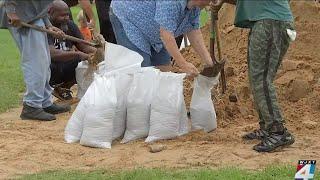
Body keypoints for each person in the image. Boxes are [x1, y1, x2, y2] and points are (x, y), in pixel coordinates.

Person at [214, 0, 295, 152]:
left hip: (271, 22)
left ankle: (278, 131)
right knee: (256, 78)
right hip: (265, 21)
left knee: (262, 80)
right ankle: (267, 127)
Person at [0, 0, 71, 121]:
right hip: (21, 15)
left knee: (44, 61)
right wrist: (11, 11)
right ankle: (31, 105)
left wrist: (48, 24)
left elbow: (39, 4)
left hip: (32, 15)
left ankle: (44, 102)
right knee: (35, 62)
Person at [110, 0, 215, 75]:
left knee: (164, 72)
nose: (212, 3)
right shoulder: (172, 2)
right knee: (142, 73)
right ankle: (138, 105)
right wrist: (183, 64)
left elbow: (194, 32)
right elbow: (166, 35)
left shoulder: (194, 7)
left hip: (154, 29)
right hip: (128, 17)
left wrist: (209, 62)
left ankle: (157, 104)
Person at [48, 0, 96, 101]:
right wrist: (77, 54)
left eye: (67, 14)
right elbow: (52, 54)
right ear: (50, 13)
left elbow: (84, 47)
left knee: (85, 64)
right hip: (50, 67)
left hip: (66, 64)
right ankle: (49, 89)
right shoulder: (45, 29)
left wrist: (99, 52)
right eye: (62, 15)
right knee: (75, 59)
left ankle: (62, 88)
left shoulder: (70, 25)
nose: (66, 18)